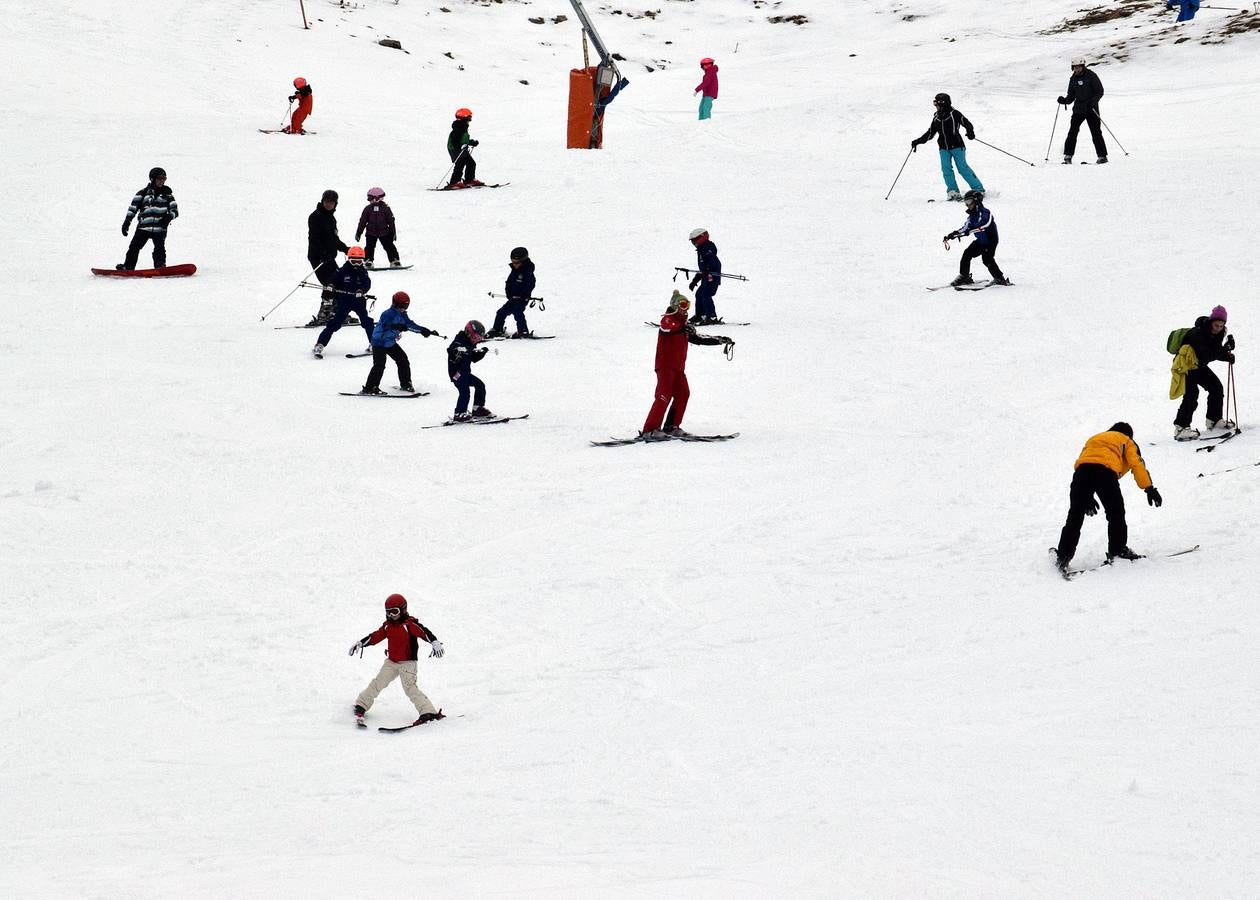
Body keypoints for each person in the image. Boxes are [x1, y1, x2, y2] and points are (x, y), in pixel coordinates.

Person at [1053, 423, 1162, 573]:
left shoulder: (1095, 438)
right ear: (1128, 434)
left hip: (1081, 473)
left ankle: (1063, 556)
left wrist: (1088, 497)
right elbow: (1136, 464)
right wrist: (1149, 488)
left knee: (1075, 515)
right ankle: (1117, 552)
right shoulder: (1126, 440)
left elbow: (1088, 461)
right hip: (1105, 474)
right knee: (1116, 513)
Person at [641, 290, 733, 439]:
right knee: (663, 396)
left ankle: (672, 426)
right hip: (665, 367)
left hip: (678, 368)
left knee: (683, 394)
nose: (686, 308)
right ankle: (650, 429)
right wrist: (684, 327)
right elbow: (668, 328)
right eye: (683, 304)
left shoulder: (683, 323)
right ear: (675, 305)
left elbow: (698, 338)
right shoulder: (667, 320)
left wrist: (719, 340)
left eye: (688, 305)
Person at [349, 594, 445, 727]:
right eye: (388, 612)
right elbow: (376, 636)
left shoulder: (409, 624)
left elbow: (424, 632)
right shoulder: (388, 626)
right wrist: (361, 643)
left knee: (410, 688)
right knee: (378, 683)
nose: (391, 615)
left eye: (395, 611)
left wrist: (434, 642)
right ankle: (361, 705)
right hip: (392, 662)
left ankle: (428, 712)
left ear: (403, 610)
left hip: (408, 663)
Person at [1172, 305, 1237, 440]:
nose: (1218, 328)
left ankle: (1214, 420)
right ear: (1211, 321)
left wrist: (1227, 354)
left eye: (1221, 325)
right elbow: (1206, 354)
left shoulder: (1218, 333)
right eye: (1216, 325)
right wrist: (1224, 351)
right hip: (1186, 366)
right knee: (1191, 394)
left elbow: (1214, 350)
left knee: (1216, 387)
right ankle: (1181, 428)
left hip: (1198, 365)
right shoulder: (1199, 333)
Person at [910, 92, 984, 201]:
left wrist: (970, 132)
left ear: (943, 103)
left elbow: (967, 123)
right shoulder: (936, 117)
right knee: (946, 169)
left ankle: (978, 189)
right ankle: (953, 191)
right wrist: (918, 141)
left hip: (957, 146)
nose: (936, 106)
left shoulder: (955, 114)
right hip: (943, 148)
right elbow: (930, 133)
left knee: (962, 168)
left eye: (937, 103)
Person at [362, 291, 436, 395]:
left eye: (406, 306)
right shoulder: (387, 313)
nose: (404, 308)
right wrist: (397, 326)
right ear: (395, 303)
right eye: (402, 306)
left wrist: (424, 330)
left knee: (403, 360)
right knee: (379, 365)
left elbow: (410, 324)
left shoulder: (402, 315)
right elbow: (386, 324)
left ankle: (406, 384)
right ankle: (370, 387)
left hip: (389, 342)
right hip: (379, 342)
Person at [313, 247, 374, 358]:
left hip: (359, 301)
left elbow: (367, 283)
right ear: (348, 259)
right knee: (335, 323)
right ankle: (320, 344)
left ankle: (374, 344)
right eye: (353, 261)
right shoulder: (342, 270)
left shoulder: (363, 272)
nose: (356, 264)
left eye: (359, 261)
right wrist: (330, 286)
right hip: (344, 301)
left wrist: (361, 290)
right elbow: (332, 280)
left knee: (367, 322)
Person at [943, 190, 1010, 287]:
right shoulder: (971, 216)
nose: (967, 205)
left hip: (991, 240)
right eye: (966, 203)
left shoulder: (985, 212)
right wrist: (954, 234)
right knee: (967, 254)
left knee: (987, 259)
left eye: (969, 202)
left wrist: (972, 229)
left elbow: (985, 223)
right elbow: (965, 227)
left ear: (976, 200)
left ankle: (999, 278)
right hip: (981, 241)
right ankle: (964, 276)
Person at [118, 167, 178, 271]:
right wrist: (127, 222)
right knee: (134, 247)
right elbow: (133, 208)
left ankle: (160, 266)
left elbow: (175, 210)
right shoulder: (143, 193)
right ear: (152, 179)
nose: (162, 181)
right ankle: (128, 266)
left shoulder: (167, 194)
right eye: (159, 178)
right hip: (143, 227)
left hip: (160, 228)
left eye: (164, 179)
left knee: (160, 248)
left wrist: (168, 217)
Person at [307, 189, 349, 326]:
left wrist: (346, 249)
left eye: (331, 203)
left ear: (335, 204)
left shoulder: (331, 218)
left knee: (339, 282)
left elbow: (334, 239)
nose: (329, 205)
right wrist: (322, 255)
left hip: (329, 258)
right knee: (330, 283)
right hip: (318, 258)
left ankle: (338, 312)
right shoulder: (315, 217)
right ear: (322, 201)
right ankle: (325, 314)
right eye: (327, 202)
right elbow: (315, 239)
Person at [1058, 58, 1107, 164]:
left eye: (1079, 66)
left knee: (1096, 132)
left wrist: (1093, 102)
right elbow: (1071, 96)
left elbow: (1099, 91)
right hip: (1078, 110)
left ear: (1083, 66)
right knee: (1072, 132)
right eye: (1075, 67)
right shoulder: (1073, 79)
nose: (1077, 69)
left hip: (1091, 109)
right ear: (1072, 68)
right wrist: (1064, 101)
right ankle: (1068, 156)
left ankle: (1102, 156)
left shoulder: (1091, 75)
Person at [447, 320, 492, 421]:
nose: (476, 341)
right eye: (475, 338)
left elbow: (473, 358)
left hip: (465, 373)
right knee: (464, 391)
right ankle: (459, 413)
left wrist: (482, 353)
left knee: (480, 385)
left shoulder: (470, 344)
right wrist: (457, 352)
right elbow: (451, 350)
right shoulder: (459, 341)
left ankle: (477, 408)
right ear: (468, 333)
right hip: (456, 374)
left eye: (479, 339)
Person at [487, 247, 536, 338]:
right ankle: (497, 329)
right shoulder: (514, 270)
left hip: (521, 299)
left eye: (516, 262)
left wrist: (524, 295)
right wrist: (509, 293)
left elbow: (531, 285)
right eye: (512, 262)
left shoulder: (527, 272)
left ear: (523, 261)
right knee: (501, 312)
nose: (514, 264)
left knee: (518, 313)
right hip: (513, 298)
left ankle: (523, 331)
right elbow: (508, 282)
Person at [355, 187, 401, 269]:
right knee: (369, 247)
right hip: (371, 232)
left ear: (377, 198)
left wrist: (393, 232)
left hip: (384, 232)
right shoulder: (367, 209)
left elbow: (391, 221)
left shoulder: (386, 209)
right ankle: (368, 261)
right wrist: (359, 233)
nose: (368, 200)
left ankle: (394, 260)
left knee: (389, 246)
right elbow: (362, 221)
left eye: (370, 198)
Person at [687, 228, 723, 325]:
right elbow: (702, 269)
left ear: (702, 237)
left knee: (706, 295)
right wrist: (695, 281)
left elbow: (713, 262)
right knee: (699, 294)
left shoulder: (708, 248)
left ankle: (711, 316)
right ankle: (700, 315)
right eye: (692, 241)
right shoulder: (701, 250)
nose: (693, 243)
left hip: (712, 278)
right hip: (706, 278)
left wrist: (708, 270)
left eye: (694, 240)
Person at [446, 108, 483, 189]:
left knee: (471, 163)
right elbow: (455, 140)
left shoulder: (462, 126)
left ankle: (470, 180)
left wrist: (471, 142)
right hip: (455, 149)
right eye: (469, 117)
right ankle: (454, 182)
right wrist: (461, 146)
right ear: (464, 117)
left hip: (461, 148)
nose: (470, 119)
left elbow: (463, 139)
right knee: (460, 164)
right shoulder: (459, 128)